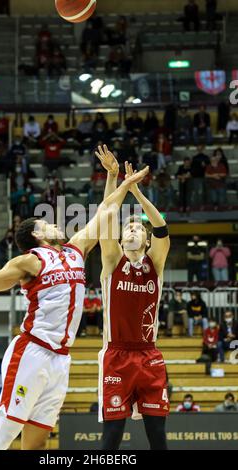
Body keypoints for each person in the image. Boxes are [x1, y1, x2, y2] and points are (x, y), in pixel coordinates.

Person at [0, 144, 137, 451]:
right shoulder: (30, 260)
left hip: (61, 358)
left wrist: (113, 176)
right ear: (36, 234)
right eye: (48, 223)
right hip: (32, 351)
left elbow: (106, 213)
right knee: (7, 430)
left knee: (37, 439)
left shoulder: (75, 249)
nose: (56, 223)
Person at [96, 147, 170, 450]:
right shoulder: (113, 261)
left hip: (149, 355)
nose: (131, 230)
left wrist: (137, 192)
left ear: (147, 239)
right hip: (117, 356)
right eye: (128, 227)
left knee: (158, 437)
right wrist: (114, 177)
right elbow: (107, 214)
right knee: (111, 439)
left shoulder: (156, 263)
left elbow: (162, 226)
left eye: (138, 228)